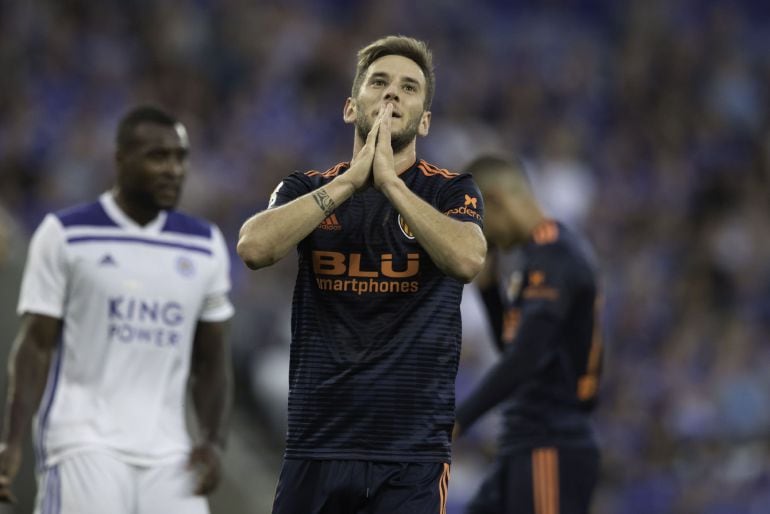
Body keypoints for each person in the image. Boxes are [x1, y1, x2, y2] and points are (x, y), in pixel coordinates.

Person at [237, 35, 487, 513]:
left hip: (411, 456)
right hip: (316, 445)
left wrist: (391, 185)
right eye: (379, 82)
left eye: (410, 88)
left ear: (426, 120)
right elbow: (254, 246)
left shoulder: (451, 191)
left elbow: (468, 259)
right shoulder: (306, 187)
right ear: (352, 108)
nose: (393, 93)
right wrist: (353, 180)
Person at [0, 106, 234, 514]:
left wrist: (213, 440)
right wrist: (13, 441)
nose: (173, 170)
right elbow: (34, 346)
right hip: (82, 441)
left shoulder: (204, 244)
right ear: (120, 160)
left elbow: (212, 356)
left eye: (180, 158)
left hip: (169, 451)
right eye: (157, 156)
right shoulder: (66, 235)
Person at [453, 155, 603, 514]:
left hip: (551, 442)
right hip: (525, 441)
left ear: (499, 200)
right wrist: (489, 291)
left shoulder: (557, 257)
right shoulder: (534, 259)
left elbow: (525, 359)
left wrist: (459, 419)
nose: (481, 235)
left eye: (479, 221)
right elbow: (516, 349)